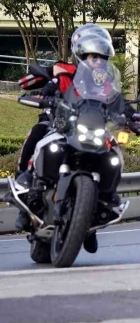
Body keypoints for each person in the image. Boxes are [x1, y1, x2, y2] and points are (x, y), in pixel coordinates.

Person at [13, 25, 113, 231]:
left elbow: (116, 103)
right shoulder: (63, 70)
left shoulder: (105, 83)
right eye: (91, 55)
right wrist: (48, 76)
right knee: (36, 133)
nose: (96, 61)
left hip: (89, 128)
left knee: (112, 151)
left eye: (100, 57)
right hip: (56, 123)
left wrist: (131, 116)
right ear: (79, 53)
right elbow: (24, 82)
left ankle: (103, 202)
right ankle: (24, 202)